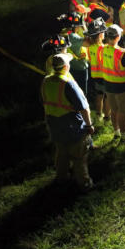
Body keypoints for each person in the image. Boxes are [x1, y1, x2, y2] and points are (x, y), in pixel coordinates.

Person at [41, 53, 94, 191]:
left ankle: (61, 179)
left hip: (54, 124)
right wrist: (89, 125)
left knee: (61, 153)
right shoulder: (68, 83)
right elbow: (84, 108)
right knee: (79, 157)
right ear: (66, 66)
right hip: (72, 125)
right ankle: (85, 184)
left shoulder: (46, 80)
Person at [99, 24, 125, 141]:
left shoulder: (103, 49)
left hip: (108, 85)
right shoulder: (122, 53)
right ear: (118, 37)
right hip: (122, 86)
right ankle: (124, 137)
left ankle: (116, 132)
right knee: (122, 111)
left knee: (114, 110)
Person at [84, 18, 111, 125]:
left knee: (99, 95)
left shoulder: (90, 48)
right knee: (107, 96)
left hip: (95, 76)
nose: (104, 34)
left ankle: (99, 114)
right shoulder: (104, 49)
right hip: (105, 76)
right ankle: (107, 117)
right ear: (100, 35)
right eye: (103, 32)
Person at [59, 13, 90, 95]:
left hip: (69, 66)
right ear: (76, 25)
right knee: (81, 93)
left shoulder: (64, 33)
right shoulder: (73, 36)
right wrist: (84, 26)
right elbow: (88, 43)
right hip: (79, 67)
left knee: (71, 92)